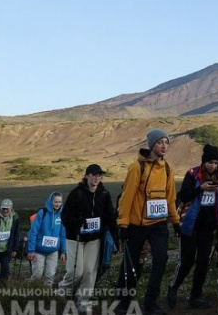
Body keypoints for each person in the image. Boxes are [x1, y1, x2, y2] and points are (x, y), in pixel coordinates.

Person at [115, 130, 180, 315]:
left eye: (166, 142)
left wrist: (175, 222)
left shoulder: (168, 168)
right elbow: (127, 197)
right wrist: (123, 224)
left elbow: (170, 198)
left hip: (159, 224)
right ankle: (122, 302)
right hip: (137, 225)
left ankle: (151, 303)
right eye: (160, 142)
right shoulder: (137, 167)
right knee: (131, 263)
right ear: (152, 145)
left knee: (161, 259)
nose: (164, 146)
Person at [166, 144, 218, 310]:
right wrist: (200, 188)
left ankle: (196, 296)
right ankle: (173, 287)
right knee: (187, 260)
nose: (213, 166)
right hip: (190, 224)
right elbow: (184, 195)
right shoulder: (192, 174)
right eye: (210, 162)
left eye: (215, 163)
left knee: (203, 261)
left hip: (207, 227)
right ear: (203, 162)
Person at [60, 164, 118, 312]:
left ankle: (83, 302)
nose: (96, 178)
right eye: (93, 175)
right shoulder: (76, 193)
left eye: (99, 175)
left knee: (90, 272)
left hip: (94, 240)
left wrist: (117, 239)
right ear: (86, 176)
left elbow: (110, 218)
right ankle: (62, 290)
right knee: (76, 272)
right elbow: (65, 217)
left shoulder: (104, 194)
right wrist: (77, 222)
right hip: (75, 238)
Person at [27, 191, 67, 287]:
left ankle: (46, 295)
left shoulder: (62, 215)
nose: (57, 204)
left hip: (53, 251)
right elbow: (33, 232)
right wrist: (31, 250)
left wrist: (63, 251)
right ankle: (30, 292)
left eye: (59, 202)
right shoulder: (42, 213)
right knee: (37, 275)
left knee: (50, 277)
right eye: (55, 202)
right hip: (38, 250)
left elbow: (63, 235)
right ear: (50, 201)